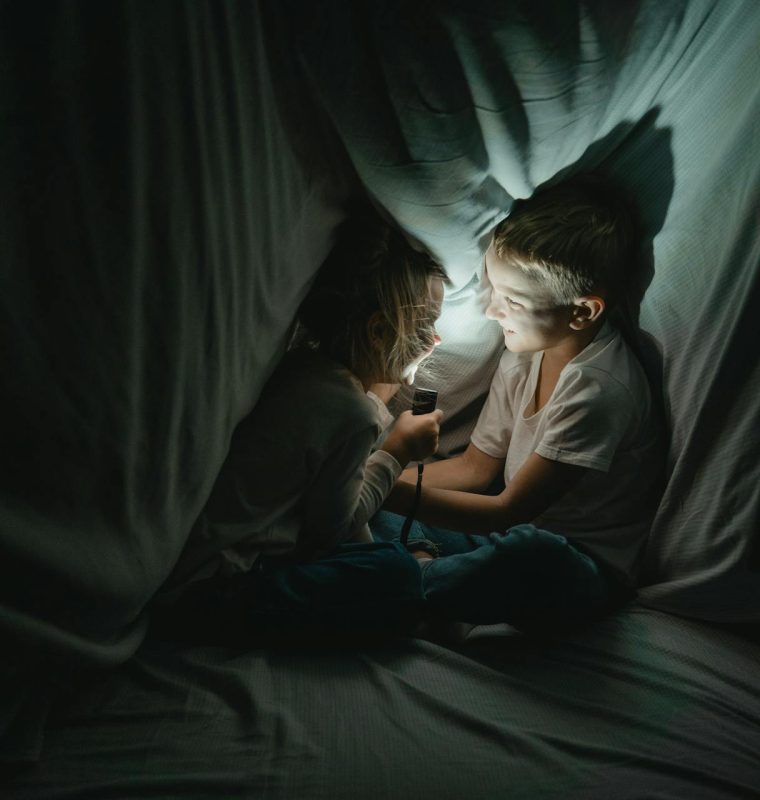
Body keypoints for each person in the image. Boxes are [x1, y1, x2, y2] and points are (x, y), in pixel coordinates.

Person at [373, 175, 663, 633]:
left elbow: (511, 509)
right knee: (383, 503)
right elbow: (475, 469)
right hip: (501, 531)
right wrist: (379, 471)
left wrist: (379, 485)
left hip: (580, 565)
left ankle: (412, 585)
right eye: (493, 291)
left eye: (512, 300)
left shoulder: (598, 390)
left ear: (582, 312)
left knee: (535, 554)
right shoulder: (522, 356)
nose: (492, 311)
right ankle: (429, 575)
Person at [151, 205, 448, 643]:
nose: (437, 340)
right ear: (379, 333)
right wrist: (397, 451)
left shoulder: (306, 371)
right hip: (217, 592)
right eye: (427, 327)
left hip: (207, 568)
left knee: (385, 515)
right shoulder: (352, 412)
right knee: (394, 574)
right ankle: (426, 584)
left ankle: (421, 566)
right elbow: (330, 533)